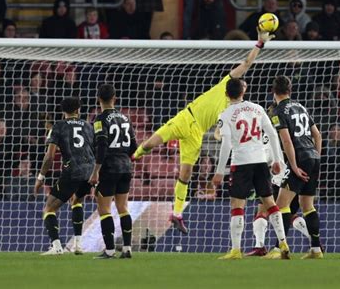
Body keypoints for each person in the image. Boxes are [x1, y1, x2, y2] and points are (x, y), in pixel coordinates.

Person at [132, 29, 275, 234]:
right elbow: (246, 64)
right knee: (148, 145)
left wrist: (221, 132)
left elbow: (219, 133)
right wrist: (259, 44)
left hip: (197, 133)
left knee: (186, 173)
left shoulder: (231, 111)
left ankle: (177, 214)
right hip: (185, 119)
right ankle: (134, 156)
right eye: (243, 82)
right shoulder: (224, 84)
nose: (245, 83)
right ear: (237, 86)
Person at [211, 79, 289, 260]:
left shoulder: (225, 114)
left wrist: (219, 170)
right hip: (261, 162)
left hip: (241, 163)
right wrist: (277, 159)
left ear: (226, 94)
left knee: (238, 205)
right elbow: (271, 133)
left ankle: (236, 250)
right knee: (270, 203)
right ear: (243, 92)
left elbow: (227, 144)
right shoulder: (258, 108)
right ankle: (283, 243)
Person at [271, 76, 324, 259]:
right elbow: (317, 135)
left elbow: (286, 140)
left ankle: (279, 249)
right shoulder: (301, 106)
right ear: (290, 90)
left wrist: (293, 165)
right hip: (313, 157)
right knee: (307, 205)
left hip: (299, 158)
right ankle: (316, 249)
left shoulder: (278, 111)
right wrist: (316, 157)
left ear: (273, 91)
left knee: (281, 205)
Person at [34, 97, 95, 256]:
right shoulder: (88, 127)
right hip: (90, 172)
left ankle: (56, 246)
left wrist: (40, 178)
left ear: (63, 111)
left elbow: (50, 156)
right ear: (78, 110)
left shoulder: (58, 126)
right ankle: (78, 245)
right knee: (77, 201)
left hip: (72, 171)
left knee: (49, 208)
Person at [88, 84, 138, 259]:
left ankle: (109, 250)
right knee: (123, 207)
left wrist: (95, 172)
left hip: (109, 168)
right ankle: (127, 248)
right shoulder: (125, 118)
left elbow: (101, 147)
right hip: (125, 166)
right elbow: (134, 147)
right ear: (114, 98)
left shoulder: (100, 120)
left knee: (104, 210)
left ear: (98, 99)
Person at [245, 131, 310, 257]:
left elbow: (267, 157)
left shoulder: (267, 133)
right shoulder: (285, 130)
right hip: (294, 173)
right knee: (289, 214)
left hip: (277, 177)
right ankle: (314, 241)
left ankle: (260, 247)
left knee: (262, 212)